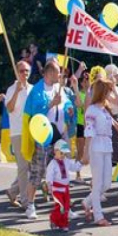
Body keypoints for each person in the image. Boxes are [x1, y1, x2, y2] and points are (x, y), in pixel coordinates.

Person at [24, 61, 70, 220]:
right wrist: (51, 103)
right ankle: (30, 205)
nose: (60, 75)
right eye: (58, 72)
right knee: (37, 171)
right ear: (49, 73)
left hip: (58, 135)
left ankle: (64, 205)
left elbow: (66, 105)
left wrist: (69, 109)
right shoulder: (37, 90)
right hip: (43, 136)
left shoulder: (60, 89)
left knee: (61, 172)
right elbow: (35, 112)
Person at [81, 78, 118, 227]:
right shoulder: (91, 110)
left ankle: (87, 201)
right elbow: (89, 131)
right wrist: (85, 153)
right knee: (97, 184)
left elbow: (117, 110)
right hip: (96, 146)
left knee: (107, 183)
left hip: (107, 145)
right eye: (108, 91)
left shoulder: (104, 109)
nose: (110, 94)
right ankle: (98, 216)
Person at [5, 61, 33, 207]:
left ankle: (13, 191)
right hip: (17, 132)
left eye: (27, 71)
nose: (25, 73)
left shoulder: (33, 89)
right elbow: (9, 108)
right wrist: (17, 90)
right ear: (16, 72)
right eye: (22, 71)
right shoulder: (11, 89)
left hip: (31, 132)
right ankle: (25, 199)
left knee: (32, 167)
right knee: (23, 167)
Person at [46, 139, 82, 232]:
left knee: (66, 207)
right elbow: (49, 175)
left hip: (65, 188)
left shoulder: (67, 161)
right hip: (57, 188)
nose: (63, 156)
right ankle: (54, 219)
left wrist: (81, 163)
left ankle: (64, 224)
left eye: (64, 154)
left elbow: (74, 167)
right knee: (59, 206)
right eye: (61, 153)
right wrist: (49, 185)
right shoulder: (52, 163)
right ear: (55, 152)